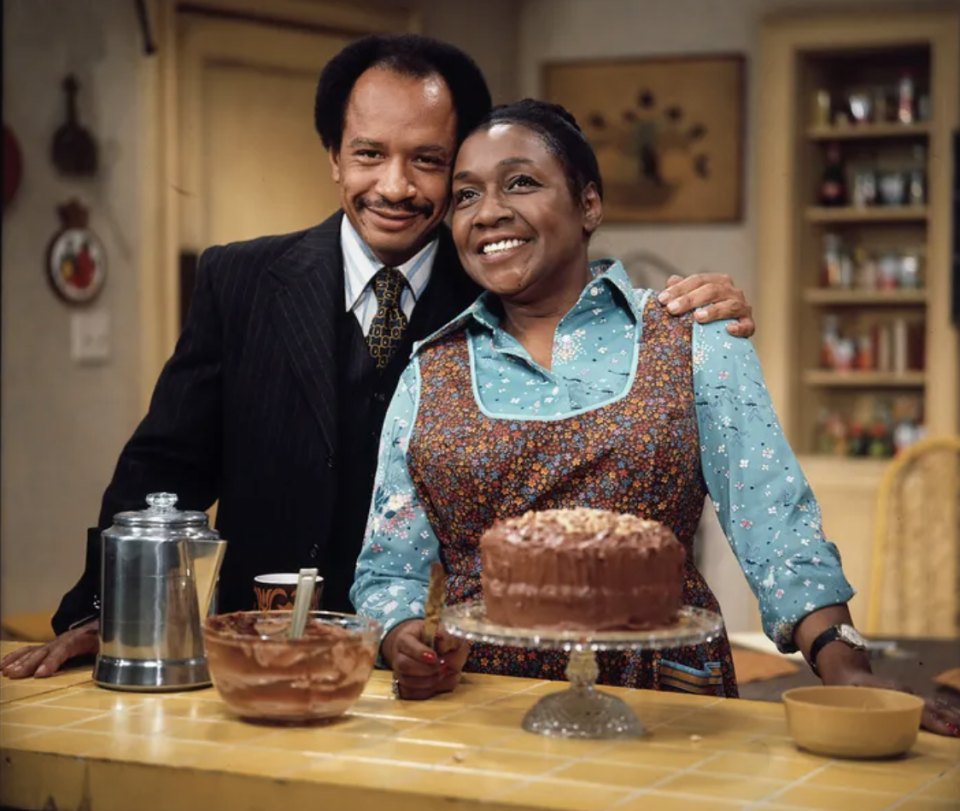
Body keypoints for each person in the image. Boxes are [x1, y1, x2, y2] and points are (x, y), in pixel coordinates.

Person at [1, 36, 755, 681]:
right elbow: (162, 467)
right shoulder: (240, 282)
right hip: (263, 653)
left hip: (437, 668)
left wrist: (693, 304)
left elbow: (596, 314)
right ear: (334, 156)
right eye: (369, 154)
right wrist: (106, 608)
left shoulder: (505, 287)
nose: (394, 187)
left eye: (427, 161)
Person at [351, 99, 960, 737]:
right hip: (485, 705)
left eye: (521, 182)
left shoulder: (693, 337)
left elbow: (775, 526)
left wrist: (846, 666)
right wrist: (404, 643)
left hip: (668, 699)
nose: (488, 212)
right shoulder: (430, 370)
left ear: (589, 204)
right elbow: (389, 567)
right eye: (466, 195)